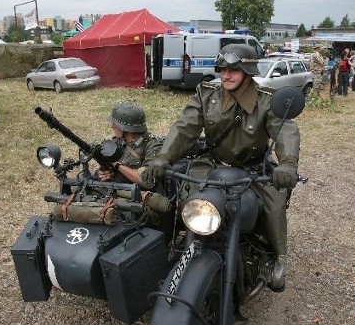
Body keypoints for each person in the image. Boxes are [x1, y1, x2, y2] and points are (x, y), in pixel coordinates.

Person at [147, 43, 300, 292]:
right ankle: (184, 246)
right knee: (184, 198)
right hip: (213, 165)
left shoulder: (267, 101)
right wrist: (163, 157)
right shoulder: (207, 94)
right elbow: (185, 127)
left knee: (273, 205)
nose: (226, 75)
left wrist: (288, 164)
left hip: (252, 170)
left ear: (248, 72)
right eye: (222, 69)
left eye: (234, 70)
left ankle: (269, 259)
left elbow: (286, 130)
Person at [96, 101, 162, 189]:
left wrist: (117, 165)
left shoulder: (153, 145)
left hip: (139, 196)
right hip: (116, 189)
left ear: (124, 128)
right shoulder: (117, 141)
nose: (112, 126)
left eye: (115, 124)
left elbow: (147, 181)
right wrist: (102, 172)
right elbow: (105, 166)